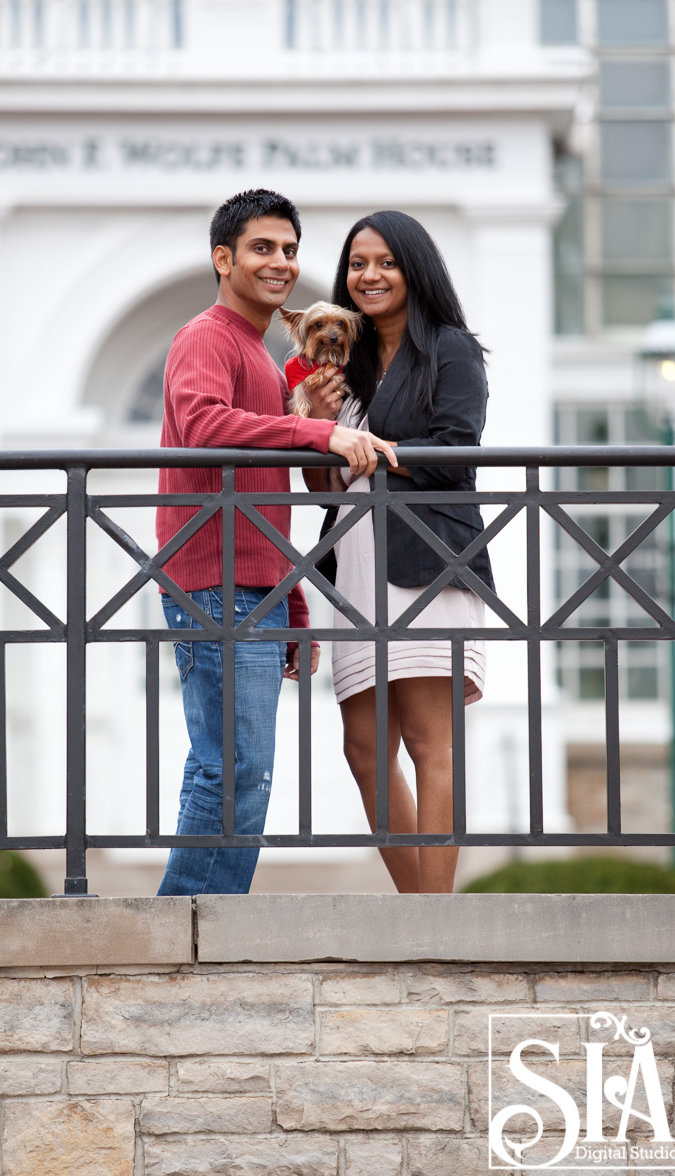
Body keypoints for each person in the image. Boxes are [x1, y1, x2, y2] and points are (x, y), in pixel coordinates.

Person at [156, 189, 396, 896]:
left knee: (244, 765)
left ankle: (209, 919)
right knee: (229, 765)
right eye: (263, 248)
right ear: (222, 258)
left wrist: (292, 605)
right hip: (212, 578)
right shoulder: (206, 336)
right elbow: (203, 427)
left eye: (290, 249)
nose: (282, 262)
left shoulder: (260, 358)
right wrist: (317, 429)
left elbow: (268, 495)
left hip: (250, 581)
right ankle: (188, 921)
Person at [307, 210, 495, 895]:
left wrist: (375, 453)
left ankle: (434, 919)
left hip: (424, 566)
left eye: (385, 261)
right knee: (364, 750)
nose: (369, 275)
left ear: (414, 269)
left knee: (426, 743)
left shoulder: (449, 348)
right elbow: (328, 488)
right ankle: (418, 907)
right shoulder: (344, 364)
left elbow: (457, 452)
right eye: (358, 264)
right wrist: (321, 431)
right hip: (355, 575)